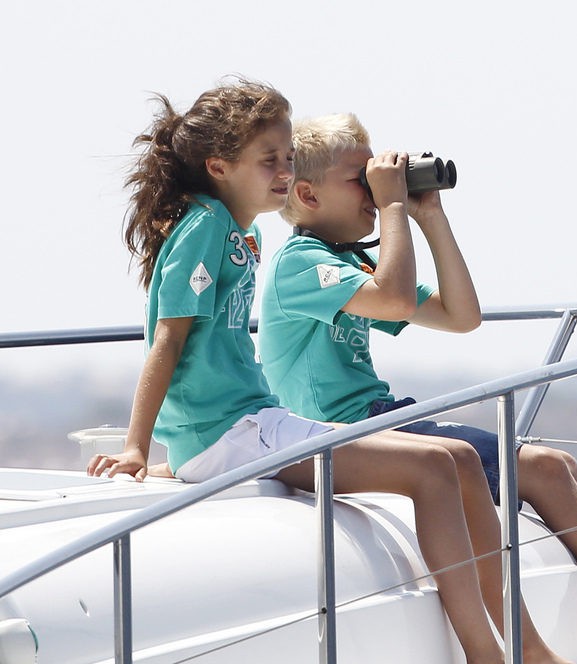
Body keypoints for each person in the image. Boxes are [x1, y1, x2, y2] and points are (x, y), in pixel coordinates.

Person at [258, 113, 577, 652]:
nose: (375, 187)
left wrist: (429, 216)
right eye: (359, 179)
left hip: (383, 415)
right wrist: (392, 208)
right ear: (307, 195)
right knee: (545, 469)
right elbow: (394, 297)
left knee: (559, 466)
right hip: (344, 429)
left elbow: (461, 315)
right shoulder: (301, 264)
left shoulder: (350, 262)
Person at [85, 80, 507, 664]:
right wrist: (139, 446)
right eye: (269, 160)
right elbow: (168, 336)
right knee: (437, 468)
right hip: (234, 431)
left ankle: (510, 644)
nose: (282, 172)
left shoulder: (244, 232)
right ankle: (490, 652)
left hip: (249, 423)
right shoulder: (206, 225)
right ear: (219, 166)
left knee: (456, 461)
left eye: (287, 158)